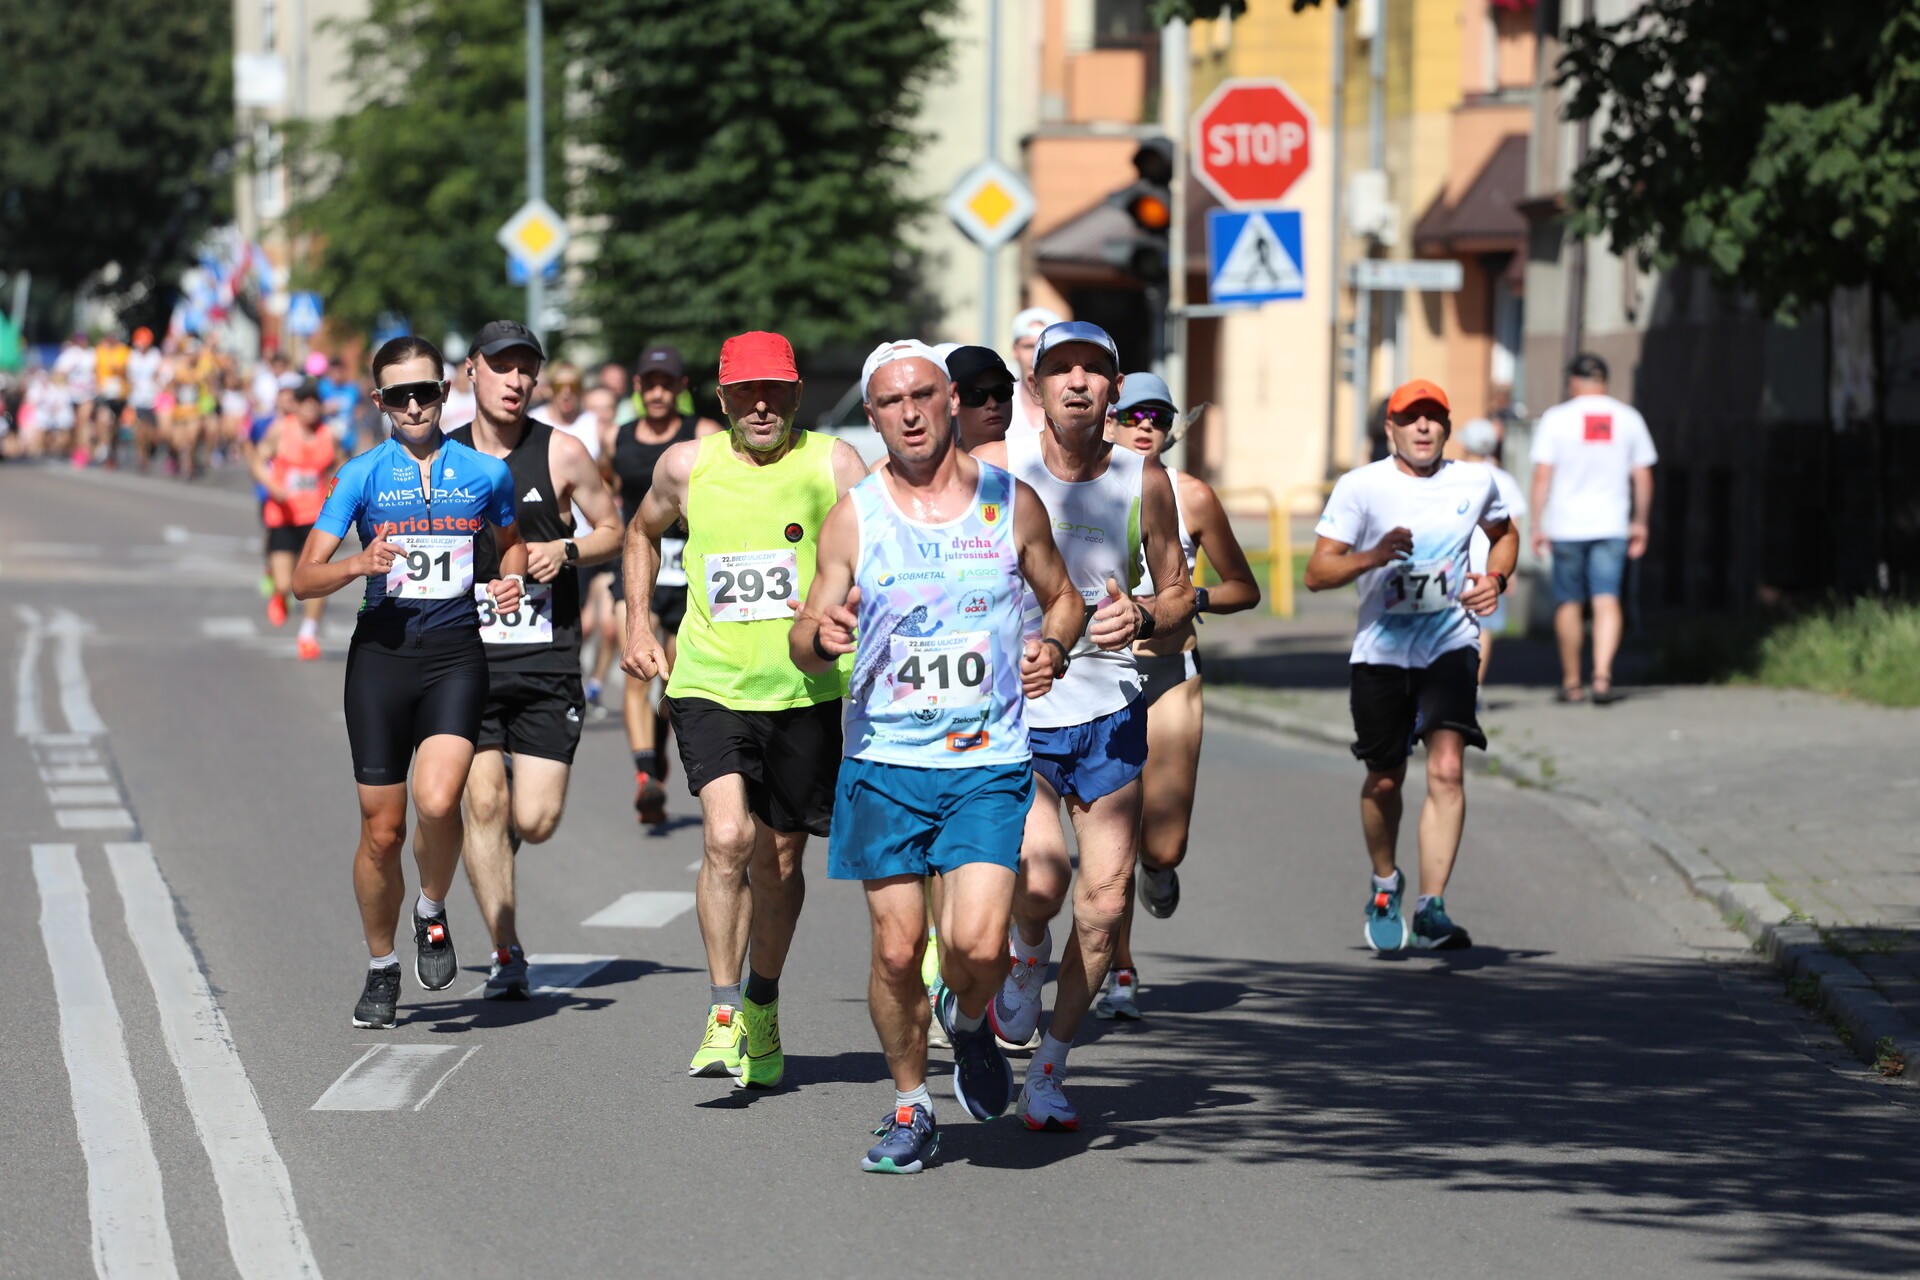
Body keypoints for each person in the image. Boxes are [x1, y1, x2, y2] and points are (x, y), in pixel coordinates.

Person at [791, 340, 1084, 1172]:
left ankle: (968, 1016)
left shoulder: (1009, 501)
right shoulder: (856, 516)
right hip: (884, 763)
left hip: (986, 761)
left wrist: (1053, 647)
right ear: (873, 416)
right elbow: (805, 637)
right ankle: (911, 1106)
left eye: (922, 394)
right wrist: (821, 635)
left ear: (950, 399)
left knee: (980, 949)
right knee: (895, 952)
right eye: (891, 402)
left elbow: (1062, 598)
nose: (910, 413)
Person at [621, 330, 866, 1088]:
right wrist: (638, 623)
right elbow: (640, 533)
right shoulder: (686, 466)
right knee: (728, 837)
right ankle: (723, 1010)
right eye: (746, 393)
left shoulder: (835, 464)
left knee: (781, 861)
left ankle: (762, 997)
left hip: (805, 690)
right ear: (722, 398)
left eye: (776, 392)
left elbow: (885, 555)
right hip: (710, 683)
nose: (762, 406)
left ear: (797, 395)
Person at [973, 320, 1194, 1131]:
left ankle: (1050, 1070)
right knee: (1041, 882)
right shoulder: (995, 468)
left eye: (1093, 371)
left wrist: (1145, 613)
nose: (1076, 382)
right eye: (1059, 369)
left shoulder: (1143, 478)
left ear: (1114, 388)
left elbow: (1179, 599)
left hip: (1109, 709)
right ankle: (1027, 954)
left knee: (1103, 907)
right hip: (1016, 709)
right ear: (1034, 387)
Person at [291, 335, 527, 1029]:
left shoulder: (486, 473)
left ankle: (430, 908)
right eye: (400, 396)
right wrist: (357, 565)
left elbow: (510, 546)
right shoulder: (361, 475)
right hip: (382, 659)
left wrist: (509, 580)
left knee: (440, 798)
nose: (416, 406)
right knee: (383, 831)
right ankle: (381, 966)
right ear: (379, 402)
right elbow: (304, 578)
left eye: (426, 392)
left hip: (455, 654)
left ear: (446, 392)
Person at [1304, 378, 1517, 954]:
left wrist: (1496, 579)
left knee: (1447, 768)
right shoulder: (1361, 487)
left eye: (1433, 417)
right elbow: (1317, 573)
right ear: (1391, 429)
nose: (1423, 426)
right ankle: (1384, 884)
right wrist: (1371, 556)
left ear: (1446, 428)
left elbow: (1504, 535)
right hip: (1382, 650)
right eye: (1410, 417)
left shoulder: (1476, 481)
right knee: (1385, 777)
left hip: (1450, 643)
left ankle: (1431, 907)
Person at [449, 322, 623, 998]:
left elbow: (615, 530)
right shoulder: (444, 457)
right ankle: (506, 951)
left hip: (547, 661)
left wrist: (567, 550)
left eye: (527, 369)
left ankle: (497, 843)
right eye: (502, 367)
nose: (516, 381)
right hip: (465, 664)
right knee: (484, 801)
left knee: (535, 820)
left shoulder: (563, 453)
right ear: (473, 371)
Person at [1097, 372, 1261, 1021]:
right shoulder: (1078, 490)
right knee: (1112, 836)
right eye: (1132, 415)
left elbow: (1244, 587)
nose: (1145, 426)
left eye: (1158, 417)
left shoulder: (1191, 495)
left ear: (1171, 428)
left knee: (1161, 844)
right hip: (1098, 678)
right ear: (1109, 420)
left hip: (1170, 675)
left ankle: (1159, 870)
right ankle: (1121, 970)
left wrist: (1192, 597)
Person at [609, 345, 722, 825]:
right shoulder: (619, 436)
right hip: (642, 564)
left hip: (690, 569)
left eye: (667, 383)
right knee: (639, 667)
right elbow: (612, 489)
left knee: (673, 679)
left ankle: (655, 752)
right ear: (638, 388)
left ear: (681, 388)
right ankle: (646, 777)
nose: (657, 393)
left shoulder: (703, 433)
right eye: (649, 384)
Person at [1528, 353, 1657, 705]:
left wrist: (1537, 524)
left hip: (1566, 525)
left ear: (1573, 381)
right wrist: (1640, 522)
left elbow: (1542, 475)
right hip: (1612, 524)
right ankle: (1602, 677)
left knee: (1569, 601)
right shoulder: (1628, 417)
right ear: (1604, 381)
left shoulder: (1556, 418)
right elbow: (1643, 475)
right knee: (1606, 598)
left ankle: (1572, 682)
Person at [252, 383, 344, 659]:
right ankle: (279, 593)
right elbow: (257, 460)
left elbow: (342, 467)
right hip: (282, 514)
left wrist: (339, 492)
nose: (311, 409)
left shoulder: (328, 435)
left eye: (315, 403)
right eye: (305, 403)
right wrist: (272, 485)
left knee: (317, 577)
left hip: (316, 517)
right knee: (284, 584)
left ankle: (308, 634)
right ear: (297, 406)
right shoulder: (281, 429)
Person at [1457, 417, 1528, 689]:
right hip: (1491, 566)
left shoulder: (1455, 476)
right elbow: (1513, 529)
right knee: (1483, 629)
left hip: (1457, 564)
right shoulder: (1504, 479)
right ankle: (1473, 687)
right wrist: (1510, 572)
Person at [578, 384, 624, 714]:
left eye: (607, 408)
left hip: (615, 545)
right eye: (594, 409)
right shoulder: (574, 443)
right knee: (584, 626)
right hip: (583, 543)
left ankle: (594, 685)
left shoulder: (624, 441)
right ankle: (569, 680)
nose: (601, 415)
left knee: (609, 627)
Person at [944, 346, 1019, 452]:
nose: (993, 404)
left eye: (1002, 391)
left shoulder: (1035, 459)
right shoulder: (936, 462)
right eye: (976, 396)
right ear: (952, 401)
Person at [1006, 307, 1063, 435]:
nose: (1035, 356)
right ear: (1015, 350)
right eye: (1029, 346)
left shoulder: (1074, 404)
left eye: (1043, 348)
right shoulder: (999, 404)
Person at [126, 328, 164, 473]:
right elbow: (129, 377)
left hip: (153, 398)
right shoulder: (133, 356)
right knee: (140, 428)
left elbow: (159, 374)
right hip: (137, 398)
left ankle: (149, 449)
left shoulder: (155, 355)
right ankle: (141, 456)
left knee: (152, 430)